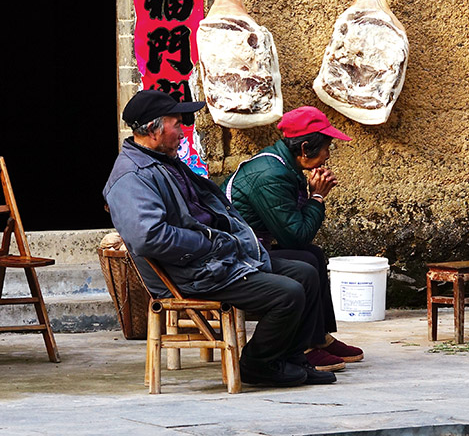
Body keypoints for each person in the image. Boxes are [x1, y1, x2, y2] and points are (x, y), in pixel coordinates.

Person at [103, 90, 336, 387]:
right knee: (287, 293)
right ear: (152, 130)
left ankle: (290, 358)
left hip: (219, 259)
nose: (182, 131)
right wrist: (210, 244)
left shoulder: (163, 160)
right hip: (192, 272)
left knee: (305, 273)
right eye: (177, 124)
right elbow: (150, 238)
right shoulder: (132, 177)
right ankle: (258, 365)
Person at [224, 106, 364, 372]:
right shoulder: (270, 175)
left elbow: (293, 231)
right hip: (237, 257)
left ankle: (319, 337)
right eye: (326, 148)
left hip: (255, 248)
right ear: (305, 148)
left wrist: (312, 195)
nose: (327, 156)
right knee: (305, 260)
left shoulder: (283, 166)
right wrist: (318, 197)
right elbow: (295, 237)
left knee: (314, 254)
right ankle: (305, 346)